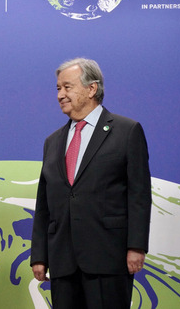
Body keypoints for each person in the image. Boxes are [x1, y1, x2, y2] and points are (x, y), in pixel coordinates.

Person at [30, 58, 152, 308]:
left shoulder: (127, 131)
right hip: (63, 260)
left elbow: (139, 195)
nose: (60, 95)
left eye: (67, 87)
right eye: (57, 89)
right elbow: (44, 204)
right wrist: (39, 255)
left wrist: (136, 246)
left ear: (92, 89)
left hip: (109, 257)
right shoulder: (52, 142)